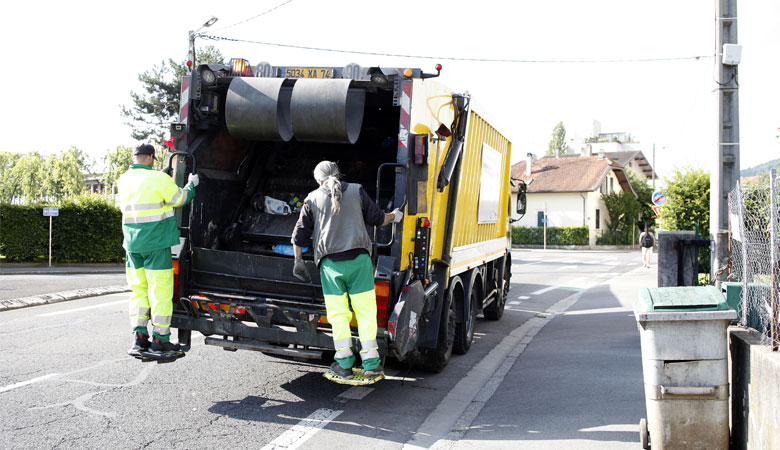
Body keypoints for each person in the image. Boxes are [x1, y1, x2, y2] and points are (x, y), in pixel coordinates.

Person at [291, 161, 402, 381]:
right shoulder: (357, 190)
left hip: (331, 266)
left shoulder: (312, 199)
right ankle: (371, 364)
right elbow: (378, 219)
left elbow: (299, 236)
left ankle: (344, 364)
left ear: (317, 179)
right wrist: (395, 216)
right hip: (359, 261)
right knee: (365, 311)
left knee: (338, 314)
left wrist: (298, 261)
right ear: (338, 174)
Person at [117, 144, 199, 362]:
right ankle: (161, 340)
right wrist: (191, 185)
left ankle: (139, 337)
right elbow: (180, 198)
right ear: (152, 158)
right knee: (159, 291)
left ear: (135, 158)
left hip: (132, 245)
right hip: (156, 244)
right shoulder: (158, 179)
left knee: (138, 291)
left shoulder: (123, 180)